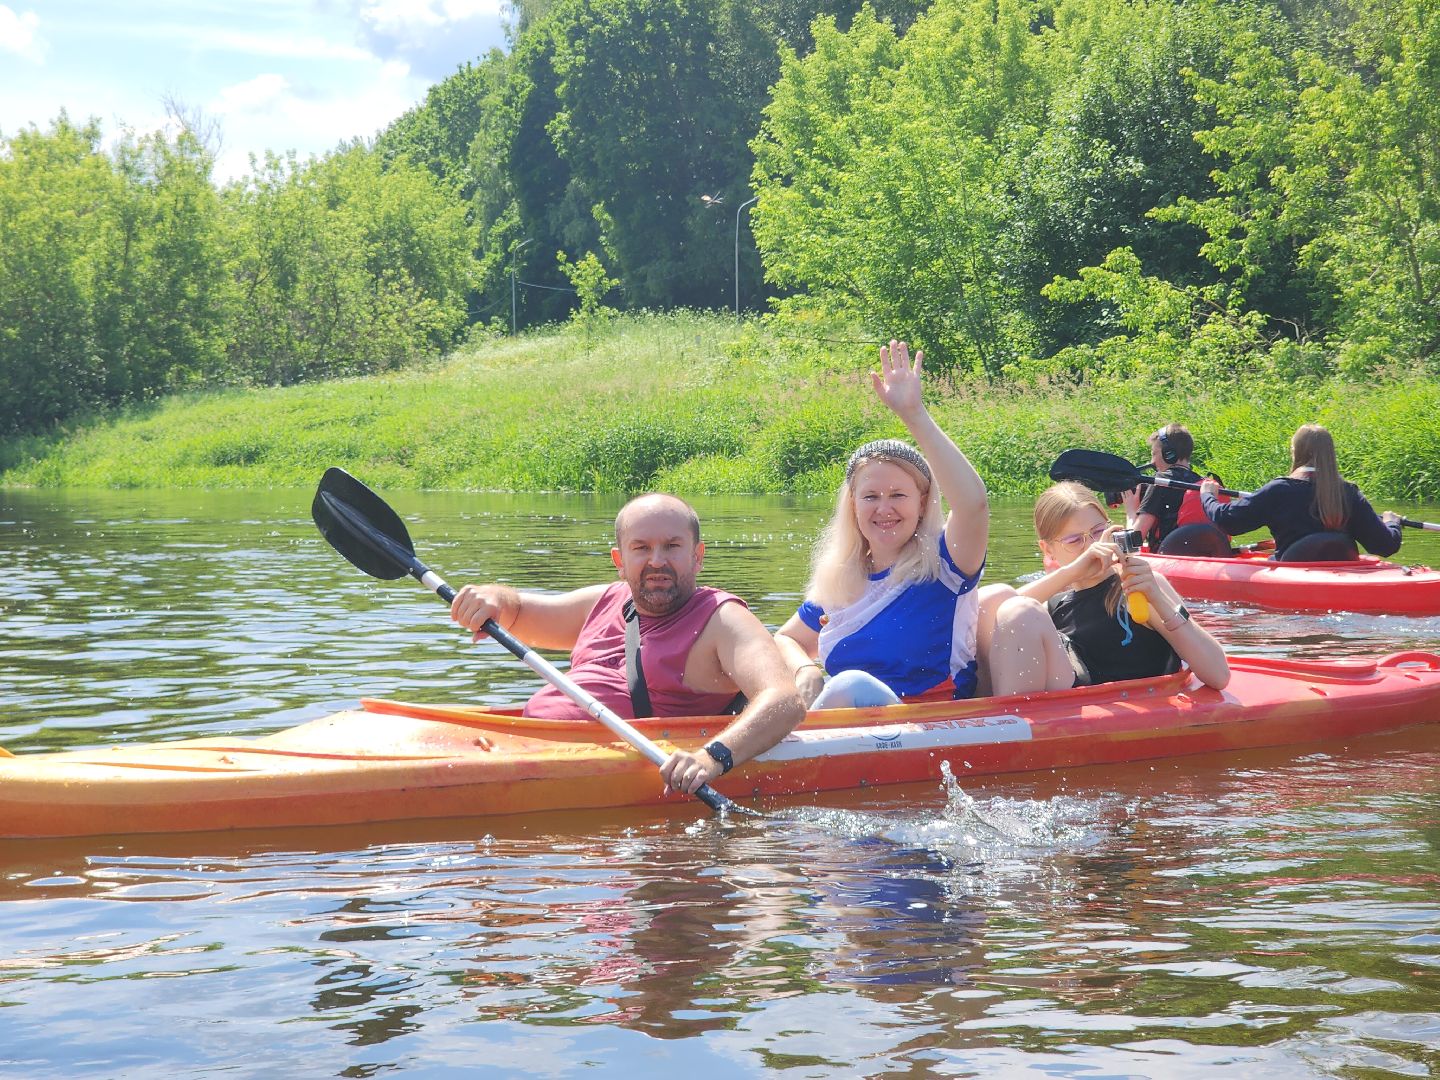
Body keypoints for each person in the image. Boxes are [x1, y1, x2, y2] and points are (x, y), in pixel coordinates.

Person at [448, 492, 805, 796]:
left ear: (697, 556)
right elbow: (518, 612)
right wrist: (494, 597)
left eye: (672, 546)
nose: (657, 560)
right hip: (533, 752)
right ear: (620, 560)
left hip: (599, 777)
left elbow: (784, 700)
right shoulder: (604, 600)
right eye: (641, 548)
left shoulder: (722, 619)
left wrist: (710, 758)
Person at [773, 340, 994, 709]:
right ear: (853, 506)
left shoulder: (947, 565)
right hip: (854, 731)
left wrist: (914, 414)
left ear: (922, 503)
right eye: (871, 496)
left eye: (898, 495)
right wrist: (804, 670)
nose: (884, 508)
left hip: (933, 729)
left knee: (848, 685)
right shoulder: (840, 582)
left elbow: (973, 505)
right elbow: (785, 639)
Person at [985, 482, 1229, 695]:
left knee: (1018, 609)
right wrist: (1072, 572)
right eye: (1075, 540)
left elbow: (1218, 675)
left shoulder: (1138, 587)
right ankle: (1011, 731)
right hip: (1073, 710)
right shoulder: (1050, 607)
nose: (1092, 546)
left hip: (1140, 712)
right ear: (1048, 549)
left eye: (1097, 532)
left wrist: (1160, 601)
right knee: (1007, 604)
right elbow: (989, 610)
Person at [1199, 423, 1402, 560]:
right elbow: (1385, 546)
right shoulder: (1348, 493)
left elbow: (1227, 521)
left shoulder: (1279, 490)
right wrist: (1392, 523)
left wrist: (1208, 495)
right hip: (1340, 573)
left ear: (1295, 452)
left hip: (1291, 572)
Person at [1129, 424, 1204, 550]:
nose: (1152, 462)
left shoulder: (1160, 482)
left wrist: (1131, 512)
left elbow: (1131, 544)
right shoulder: (1203, 483)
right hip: (1203, 556)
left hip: (1168, 561)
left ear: (1168, 454)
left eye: (1154, 454)